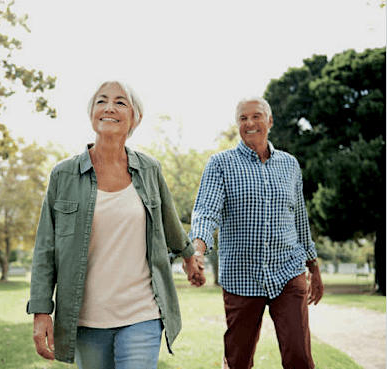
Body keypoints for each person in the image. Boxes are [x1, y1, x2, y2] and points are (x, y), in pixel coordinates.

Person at [27, 80, 205, 368]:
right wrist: (41, 311)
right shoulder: (64, 175)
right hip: (85, 319)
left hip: (142, 314)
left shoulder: (149, 170)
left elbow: (169, 223)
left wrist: (188, 257)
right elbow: (46, 249)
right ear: (91, 114)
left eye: (120, 102)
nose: (109, 107)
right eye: (102, 101)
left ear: (135, 117)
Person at [189, 96, 324, 369]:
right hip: (241, 276)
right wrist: (197, 251)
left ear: (270, 120)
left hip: (288, 271)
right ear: (237, 124)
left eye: (256, 116)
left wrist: (314, 267)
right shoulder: (220, 164)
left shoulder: (289, 165)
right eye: (243, 118)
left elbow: (299, 219)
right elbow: (206, 212)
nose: (250, 123)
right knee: (238, 360)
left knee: (299, 356)